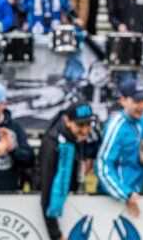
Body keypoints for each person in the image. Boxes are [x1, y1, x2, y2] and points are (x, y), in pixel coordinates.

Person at [95, 78, 143, 217]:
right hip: (114, 200)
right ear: (123, 101)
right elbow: (102, 167)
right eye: (137, 101)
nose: (142, 106)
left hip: (138, 194)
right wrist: (125, 194)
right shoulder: (116, 126)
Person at [39, 102, 94, 240]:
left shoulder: (75, 137)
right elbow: (46, 190)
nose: (86, 130)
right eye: (80, 125)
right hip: (49, 214)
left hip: (71, 204)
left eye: (88, 124)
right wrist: (55, 234)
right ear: (67, 121)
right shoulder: (53, 144)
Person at [0, 81, 34, 191]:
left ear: (3, 104)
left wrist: (11, 148)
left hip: (10, 194)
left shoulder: (15, 127)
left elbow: (29, 160)